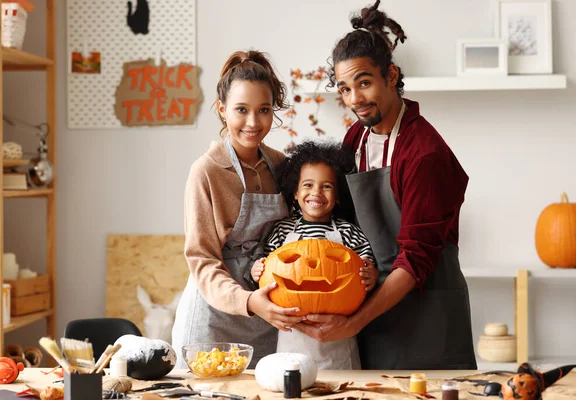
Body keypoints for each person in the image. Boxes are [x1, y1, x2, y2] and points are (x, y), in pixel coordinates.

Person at [294, 1, 477, 370]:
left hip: (426, 313)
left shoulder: (425, 154)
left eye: (364, 83)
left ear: (390, 76)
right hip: (371, 306)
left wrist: (352, 322)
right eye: (344, 89)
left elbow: (414, 260)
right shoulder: (355, 140)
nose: (355, 100)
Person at [172, 50, 306, 369]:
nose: (252, 122)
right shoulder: (206, 171)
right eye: (241, 110)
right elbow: (202, 260)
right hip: (213, 320)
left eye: (263, 110)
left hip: (266, 318)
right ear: (222, 110)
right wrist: (248, 300)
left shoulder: (281, 166)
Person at [249, 140, 378, 370]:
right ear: (296, 192)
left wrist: (371, 275)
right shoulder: (282, 231)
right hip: (292, 337)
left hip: (339, 338)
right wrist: (256, 269)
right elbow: (268, 272)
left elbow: (366, 266)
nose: (316, 192)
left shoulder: (348, 232)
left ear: (338, 196)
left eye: (326, 186)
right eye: (308, 185)